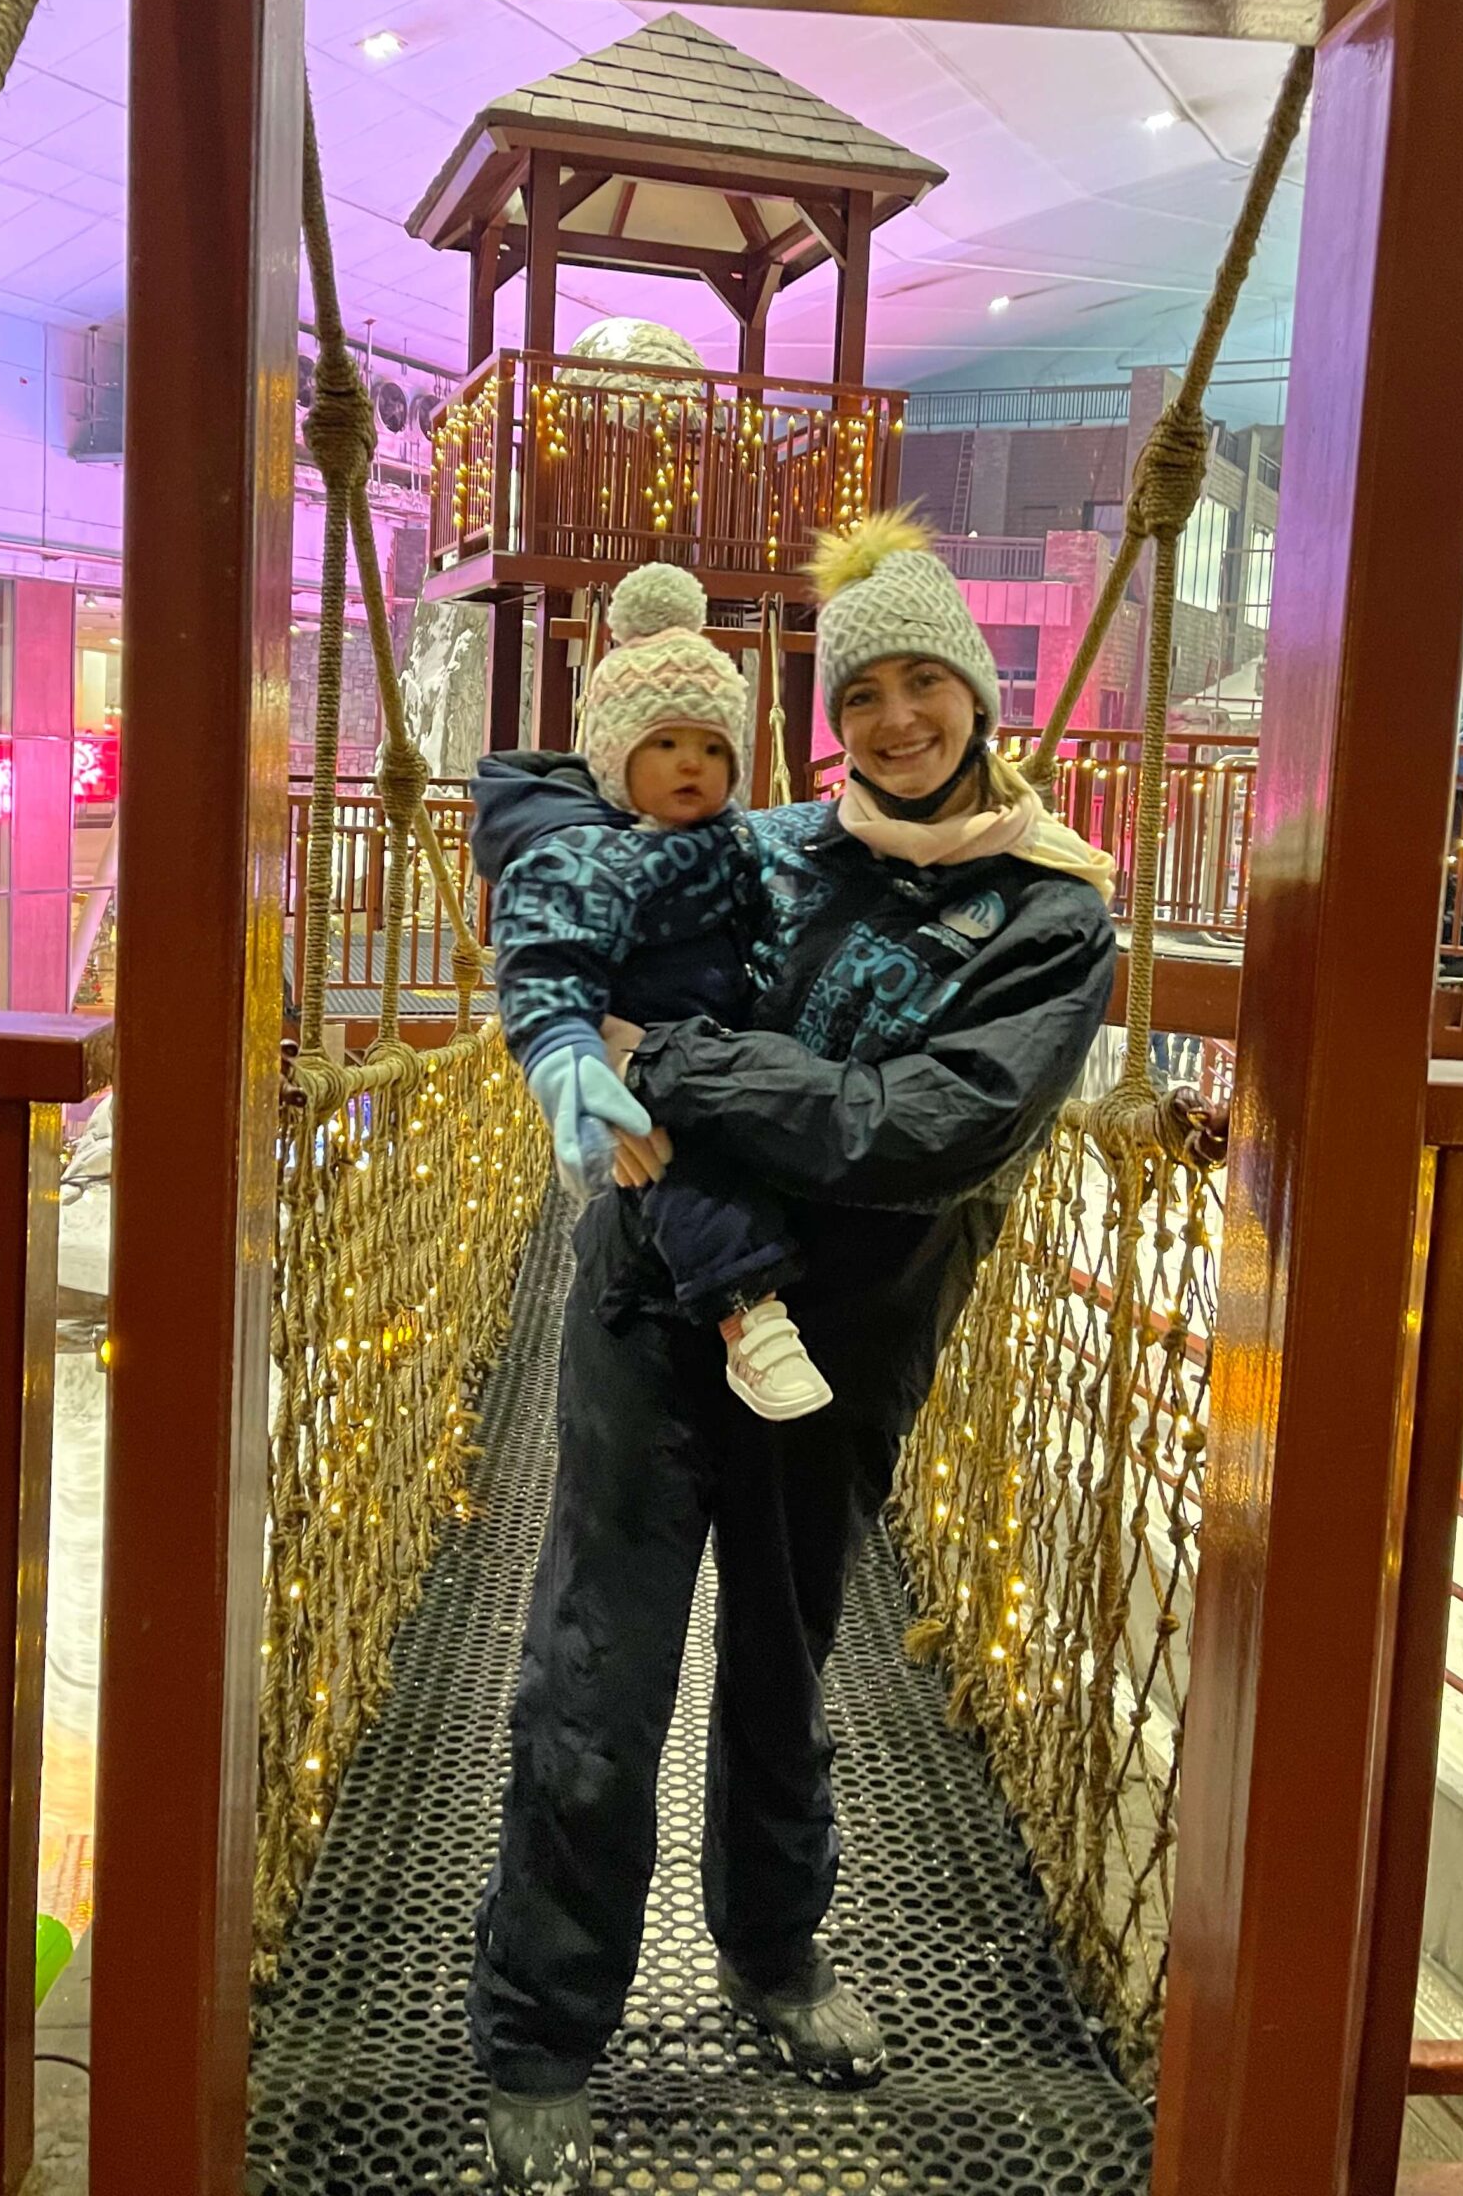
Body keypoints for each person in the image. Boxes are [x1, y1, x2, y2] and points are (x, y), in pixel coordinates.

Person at [471, 514, 1118, 2191]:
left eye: (928, 686)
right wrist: (556, 1005)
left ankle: (774, 1950)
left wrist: (665, 1056)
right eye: (868, 694)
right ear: (831, 719)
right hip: (655, 1303)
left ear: (979, 696)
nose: (900, 721)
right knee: (596, 1680)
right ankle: (543, 2028)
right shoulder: (769, 844)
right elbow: (579, 857)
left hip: (845, 1347)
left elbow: (930, 1128)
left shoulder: (1052, 919)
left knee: (785, 1666)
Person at [476, 559, 829, 1420]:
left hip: (721, 1040)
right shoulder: (581, 855)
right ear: (613, 754)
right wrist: (569, 1056)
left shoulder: (732, 840)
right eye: (664, 743)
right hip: (645, 1054)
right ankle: (750, 1318)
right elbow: (544, 962)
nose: (691, 764)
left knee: (750, 1150)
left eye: (712, 748)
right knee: (687, 1175)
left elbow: (797, 869)